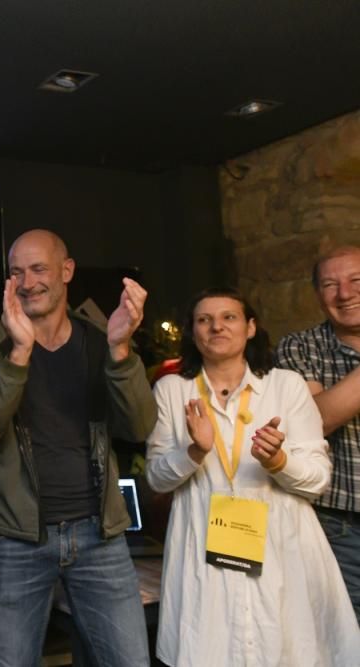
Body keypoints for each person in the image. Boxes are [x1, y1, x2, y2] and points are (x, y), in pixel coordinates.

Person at [0, 229, 154, 666]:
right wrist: (20, 352)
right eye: (16, 273)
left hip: (99, 536)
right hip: (15, 539)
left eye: (38, 269)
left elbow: (140, 425)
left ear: (66, 271)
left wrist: (121, 350)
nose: (27, 282)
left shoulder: (101, 338)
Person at [147, 287, 359, 666]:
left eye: (229, 317)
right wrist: (195, 451)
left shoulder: (285, 385)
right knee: (210, 646)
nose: (216, 327)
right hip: (203, 541)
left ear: (250, 328)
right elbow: (157, 478)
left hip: (283, 541)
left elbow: (317, 479)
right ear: (192, 332)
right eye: (204, 320)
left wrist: (278, 461)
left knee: (288, 646)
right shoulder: (172, 389)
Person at [275, 245, 360, 624]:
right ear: (317, 294)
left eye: (356, 280)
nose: (344, 293)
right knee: (345, 638)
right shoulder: (299, 347)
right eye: (330, 284)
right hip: (339, 525)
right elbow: (318, 420)